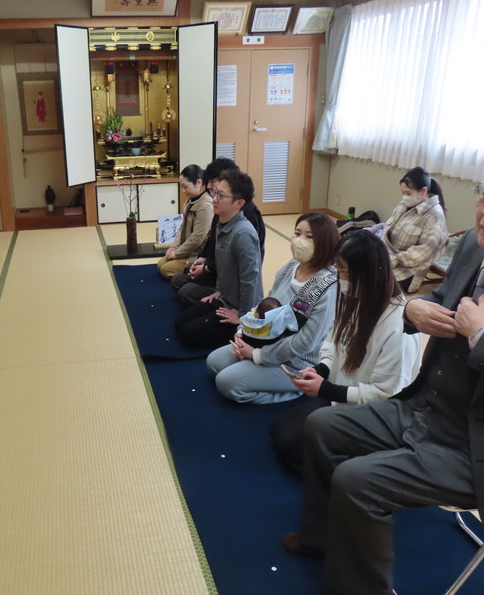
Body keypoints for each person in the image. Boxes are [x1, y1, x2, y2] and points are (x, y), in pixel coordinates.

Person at [284, 152, 484, 595]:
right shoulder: (472, 246)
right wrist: (415, 308)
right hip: (426, 408)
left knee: (358, 481)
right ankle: (321, 538)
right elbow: (437, 299)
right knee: (322, 425)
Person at [270, 230, 421, 475]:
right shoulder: (356, 298)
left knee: (291, 445)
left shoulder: (398, 325)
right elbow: (333, 342)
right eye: (339, 271)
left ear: (372, 272)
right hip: (342, 395)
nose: (341, 280)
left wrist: (327, 389)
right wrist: (322, 369)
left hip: (372, 412)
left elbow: (387, 394)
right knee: (280, 431)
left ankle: (362, 468)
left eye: (345, 273)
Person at [206, 212, 339, 404]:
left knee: (226, 382)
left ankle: (295, 390)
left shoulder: (327, 285)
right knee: (214, 363)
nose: (300, 240)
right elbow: (265, 305)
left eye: (309, 237)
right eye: (297, 233)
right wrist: (243, 332)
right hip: (265, 342)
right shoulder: (292, 265)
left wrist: (257, 355)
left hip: (297, 362)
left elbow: (305, 343)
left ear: (325, 243)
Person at [174, 168, 263, 349]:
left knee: (188, 334)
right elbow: (224, 269)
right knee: (180, 322)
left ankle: (244, 334)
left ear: (239, 203)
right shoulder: (222, 223)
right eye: (214, 192)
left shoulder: (243, 234)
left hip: (240, 310)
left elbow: (250, 281)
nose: (214, 198)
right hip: (224, 299)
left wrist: (242, 317)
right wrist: (219, 292)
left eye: (221, 195)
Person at [172, 157, 266, 305]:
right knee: (178, 281)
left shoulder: (247, 217)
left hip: (228, 280)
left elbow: (247, 272)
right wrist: (203, 258)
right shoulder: (220, 206)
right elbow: (212, 239)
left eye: (213, 182)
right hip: (215, 270)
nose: (209, 187)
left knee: (186, 292)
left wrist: (206, 269)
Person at [381, 166, 448, 293]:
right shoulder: (404, 205)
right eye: (403, 193)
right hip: (389, 259)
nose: (404, 197)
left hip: (408, 272)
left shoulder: (435, 215)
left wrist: (393, 260)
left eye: (408, 193)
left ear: (423, 191)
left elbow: (423, 253)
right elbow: (387, 232)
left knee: (368, 281)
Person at [157, 164, 213, 279]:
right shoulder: (190, 201)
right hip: (186, 250)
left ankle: (196, 274)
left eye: (185, 187)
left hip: (197, 255)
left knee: (165, 269)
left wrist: (177, 253)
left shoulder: (206, 205)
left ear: (198, 182)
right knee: (161, 264)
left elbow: (197, 238)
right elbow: (182, 227)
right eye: (181, 187)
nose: (183, 191)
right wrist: (173, 247)